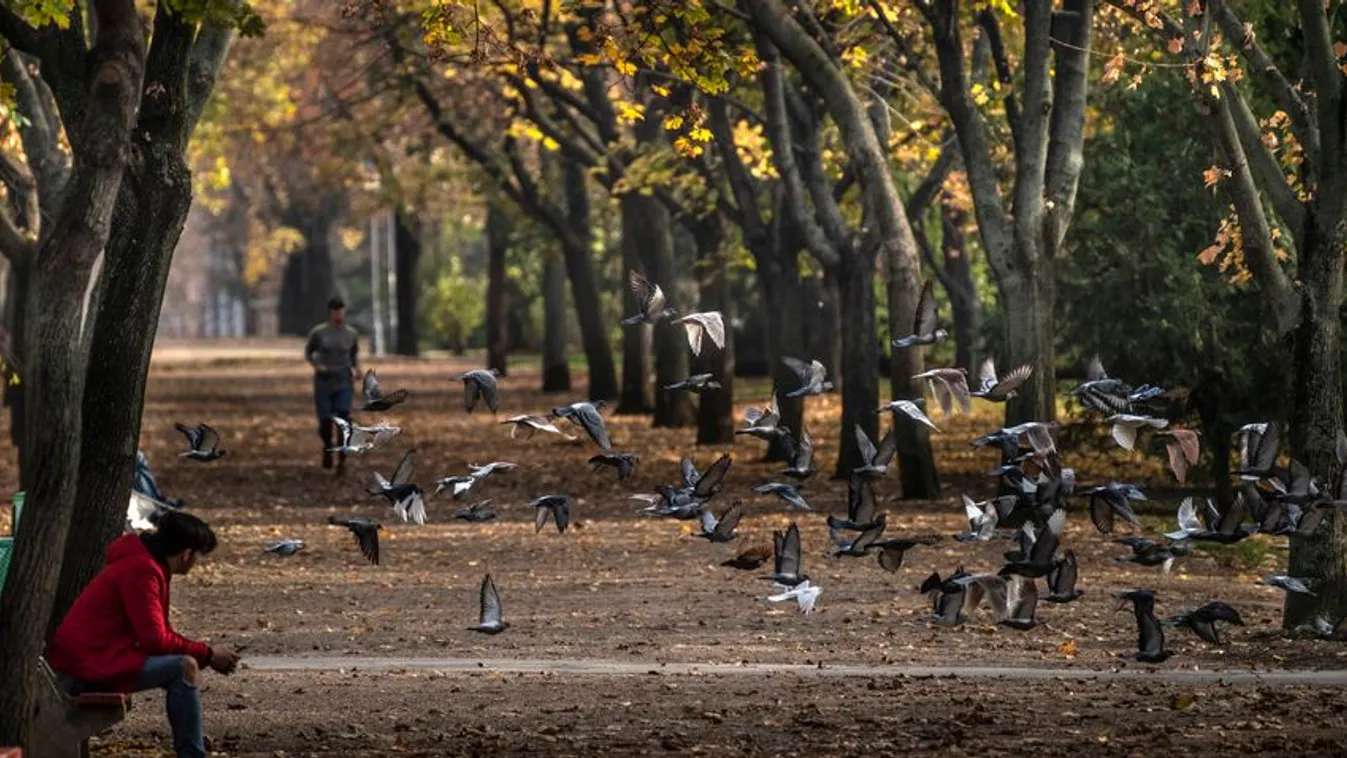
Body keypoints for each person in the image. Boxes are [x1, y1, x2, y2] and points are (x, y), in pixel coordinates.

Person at [48, 511, 240, 758]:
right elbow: (155, 640)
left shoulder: (145, 564)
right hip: (88, 665)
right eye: (197, 556)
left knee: (183, 664)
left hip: (93, 657)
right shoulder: (142, 570)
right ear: (187, 554)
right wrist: (209, 654)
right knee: (184, 668)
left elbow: (158, 633)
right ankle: (192, 754)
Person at [305, 296, 359, 473]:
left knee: (343, 416)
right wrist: (317, 366)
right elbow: (308, 353)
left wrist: (357, 369)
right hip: (324, 382)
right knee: (325, 421)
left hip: (343, 381)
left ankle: (342, 458)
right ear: (330, 313)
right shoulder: (319, 333)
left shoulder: (351, 334)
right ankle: (328, 445)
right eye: (335, 310)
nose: (339, 314)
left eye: (341, 310)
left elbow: (353, 357)